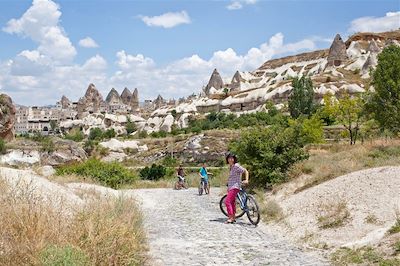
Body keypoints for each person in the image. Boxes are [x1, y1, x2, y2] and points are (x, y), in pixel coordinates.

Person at [225, 152, 249, 224]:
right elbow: (233, 177)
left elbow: (245, 171)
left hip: (235, 186)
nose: (230, 160)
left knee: (227, 201)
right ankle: (233, 217)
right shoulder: (231, 167)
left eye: (232, 158)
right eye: (229, 158)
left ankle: (231, 218)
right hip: (231, 186)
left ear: (234, 159)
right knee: (232, 202)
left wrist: (247, 180)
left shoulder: (236, 166)